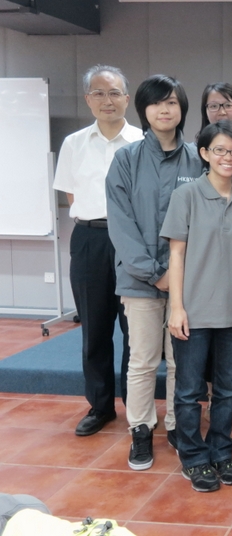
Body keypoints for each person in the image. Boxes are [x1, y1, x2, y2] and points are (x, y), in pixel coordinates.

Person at [106, 74, 203, 471]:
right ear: (143, 110)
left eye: (173, 102)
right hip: (139, 281)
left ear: (183, 109)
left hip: (189, 282)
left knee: (181, 361)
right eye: (157, 103)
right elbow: (121, 225)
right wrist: (154, 273)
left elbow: (205, 221)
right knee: (143, 360)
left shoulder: (198, 158)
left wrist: (179, 275)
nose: (165, 109)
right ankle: (141, 428)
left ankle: (179, 425)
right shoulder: (126, 160)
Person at [161, 120, 232, 492]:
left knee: (227, 390)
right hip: (194, 313)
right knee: (188, 392)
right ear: (204, 153)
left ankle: (220, 452)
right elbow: (176, 255)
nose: (228, 157)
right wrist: (177, 308)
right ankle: (193, 457)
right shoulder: (185, 196)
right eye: (219, 149)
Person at [53, 64, 143, 437]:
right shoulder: (74, 144)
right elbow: (72, 196)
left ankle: (137, 408)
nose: (108, 100)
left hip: (133, 241)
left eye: (115, 93)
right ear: (88, 99)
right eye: (99, 93)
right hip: (90, 239)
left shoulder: (142, 141)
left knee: (136, 331)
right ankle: (100, 406)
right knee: (94, 329)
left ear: (127, 98)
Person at [197, 82, 232, 423]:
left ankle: (226, 405)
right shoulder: (190, 186)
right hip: (201, 282)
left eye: (227, 104)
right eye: (213, 105)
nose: (221, 111)